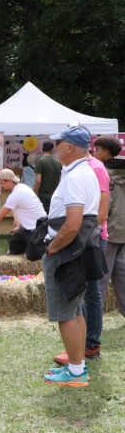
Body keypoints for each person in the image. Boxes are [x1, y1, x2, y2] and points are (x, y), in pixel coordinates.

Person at [42, 125, 104, 387]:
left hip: (67, 251)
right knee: (76, 311)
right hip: (78, 249)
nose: (56, 147)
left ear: (69, 146)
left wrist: (53, 248)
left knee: (65, 314)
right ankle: (77, 367)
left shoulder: (76, 176)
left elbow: (72, 223)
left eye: (59, 143)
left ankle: (76, 372)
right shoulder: (84, 171)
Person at [53, 144, 110, 364]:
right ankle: (81, 347)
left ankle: (89, 346)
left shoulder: (94, 168)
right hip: (82, 237)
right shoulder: (78, 169)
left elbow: (101, 211)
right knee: (84, 295)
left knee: (90, 294)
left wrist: (78, 237)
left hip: (86, 238)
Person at [94, 136, 125, 318]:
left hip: (108, 231)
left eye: (97, 150)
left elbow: (105, 206)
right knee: (123, 278)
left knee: (100, 278)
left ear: (105, 151)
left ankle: (94, 317)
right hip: (123, 231)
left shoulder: (104, 173)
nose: (94, 153)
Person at [0, 168, 46, 255]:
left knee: (33, 256)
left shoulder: (15, 195)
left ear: (10, 181)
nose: (1, 186)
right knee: (14, 245)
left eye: (2, 183)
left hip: (36, 229)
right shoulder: (23, 187)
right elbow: (28, 212)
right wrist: (19, 226)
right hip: (32, 226)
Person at [33, 141, 62, 213]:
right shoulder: (58, 162)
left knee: (43, 216)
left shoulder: (40, 161)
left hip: (43, 195)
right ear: (52, 150)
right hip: (55, 195)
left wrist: (33, 192)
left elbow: (38, 181)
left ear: (42, 149)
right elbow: (60, 181)